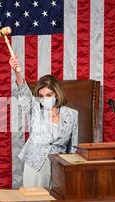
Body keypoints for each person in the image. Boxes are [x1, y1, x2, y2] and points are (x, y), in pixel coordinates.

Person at [9, 56, 78, 188]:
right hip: (36, 164)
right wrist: (17, 71)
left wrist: (70, 170)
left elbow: (73, 147)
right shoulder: (34, 108)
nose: (45, 99)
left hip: (60, 166)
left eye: (49, 95)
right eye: (41, 96)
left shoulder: (72, 114)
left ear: (57, 94)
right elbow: (23, 90)